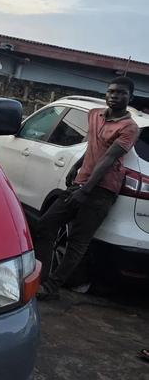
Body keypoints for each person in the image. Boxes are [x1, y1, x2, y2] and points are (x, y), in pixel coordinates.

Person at [34, 76, 139, 301]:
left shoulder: (130, 127)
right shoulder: (95, 115)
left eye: (121, 93)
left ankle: (51, 287)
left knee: (77, 242)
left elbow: (109, 158)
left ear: (130, 97)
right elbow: (93, 145)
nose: (115, 96)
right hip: (81, 182)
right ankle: (39, 278)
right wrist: (76, 166)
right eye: (111, 91)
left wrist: (85, 190)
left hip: (102, 190)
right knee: (45, 225)